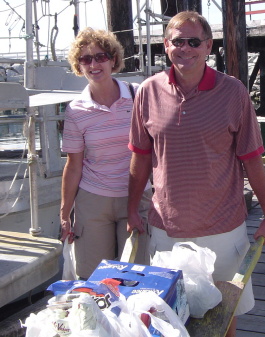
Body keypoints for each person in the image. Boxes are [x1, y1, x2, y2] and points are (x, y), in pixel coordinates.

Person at [127, 11, 265, 337]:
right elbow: (140, 160)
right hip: (166, 231)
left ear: (208, 46)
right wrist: (131, 209)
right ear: (166, 46)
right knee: (166, 318)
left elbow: (252, 160)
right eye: (177, 41)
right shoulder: (147, 93)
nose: (185, 48)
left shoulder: (233, 92)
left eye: (193, 41)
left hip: (223, 231)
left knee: (224, 319)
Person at [59, 27, 151, 280]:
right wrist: (65, 214)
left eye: (100, 57)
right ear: (79, 66)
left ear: (113, 60)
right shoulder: (75, 109)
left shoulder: (138, 95)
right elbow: (74, 165)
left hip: (137, 196)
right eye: (86, 59)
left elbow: (156, 149)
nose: (94, 64)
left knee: (135, 275)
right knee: (94, 278)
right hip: (93, 201)